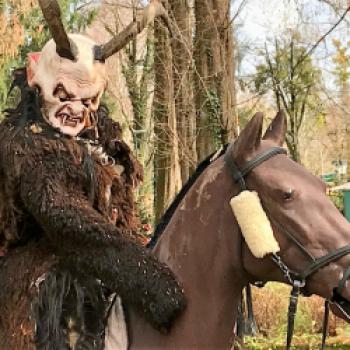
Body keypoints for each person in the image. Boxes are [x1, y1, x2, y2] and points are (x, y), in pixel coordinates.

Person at [0, 1, 185, 349]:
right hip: (42, 295)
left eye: (88, 101)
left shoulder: (100, 142)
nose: (76, 111)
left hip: (103, 278)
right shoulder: (28, 146)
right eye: (64, 95)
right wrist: (151, 281)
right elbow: (68, 220)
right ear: (33, 75)